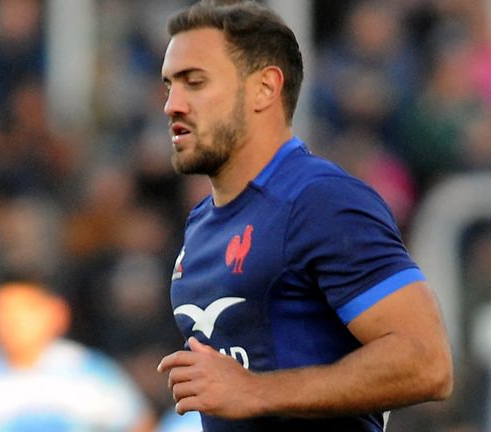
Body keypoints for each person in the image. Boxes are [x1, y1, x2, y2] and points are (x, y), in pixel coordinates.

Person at [156, 1, 454, 431]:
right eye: (168, 86)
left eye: (194, 83)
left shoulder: (319, 202)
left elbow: (428, 363)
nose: (172, 105)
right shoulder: (202, 223)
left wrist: (255, 390)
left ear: (265, 88)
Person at [0, 280, 155, 431]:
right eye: (1, 313)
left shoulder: (89, 371)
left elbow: (138, 424)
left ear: (55, 313)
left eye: (23, 311)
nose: (11, 322)